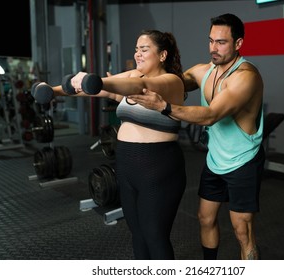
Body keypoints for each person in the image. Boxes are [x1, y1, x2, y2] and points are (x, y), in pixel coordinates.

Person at [38, 30, 187, 260]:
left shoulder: (170, 81)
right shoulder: (132, 77)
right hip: (127, 168)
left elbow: (136, 85)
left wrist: (94, 79)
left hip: (158, 169)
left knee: (155, 236)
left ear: (163, 55)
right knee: (137, 234)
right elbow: (100, 89)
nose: (138, 54)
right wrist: (54, 90)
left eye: (144, 49)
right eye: (136, 49)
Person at [129, 14, 265, 260]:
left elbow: (211, 115)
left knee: (241, 230)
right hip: (215, 160)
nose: (214, 47)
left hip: (243, 161)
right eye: (211, 41)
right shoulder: (204, 71)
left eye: (221, 42)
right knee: (205, 218)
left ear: (238, 43)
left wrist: (164, 107)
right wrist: (131, 78)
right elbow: (171, 83)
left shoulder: (246, 77)